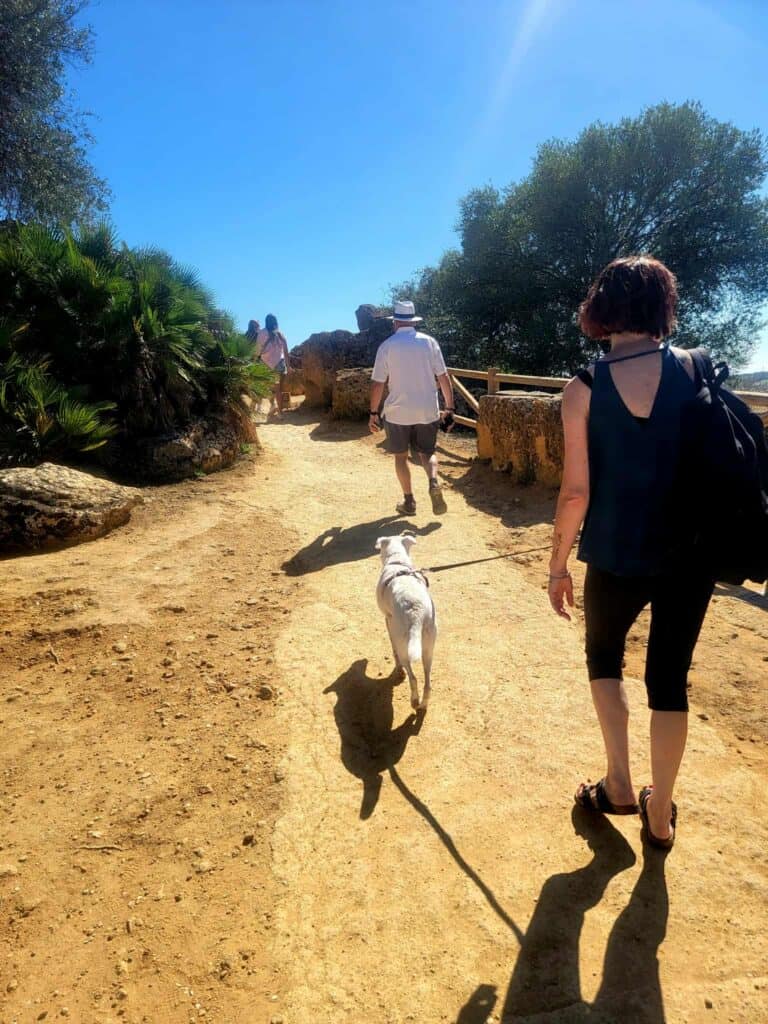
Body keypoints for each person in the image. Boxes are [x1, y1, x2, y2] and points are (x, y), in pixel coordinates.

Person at [548, 255, 714, 850]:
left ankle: (618, 784)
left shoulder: (582, 390)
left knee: (605, 659)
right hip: (691, 554)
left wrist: (557, 565)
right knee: (670, 680)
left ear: (602, 310)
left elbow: (574, 493)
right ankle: (661, 814)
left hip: (616, 550)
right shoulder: (696, 368)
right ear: (660, 307)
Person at [369, 300, 455, 516]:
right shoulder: (429, 343)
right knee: (428, 453)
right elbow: (443, 377)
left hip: (398, 412)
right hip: (427, 409)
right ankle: (433, 482)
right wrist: (449, 407)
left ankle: (409, 502)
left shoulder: (387, 346)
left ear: (395, 322)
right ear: (413, 321)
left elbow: (378, 383)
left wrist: (373, 413)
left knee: (400, 456)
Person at [255, 314, 291, 416]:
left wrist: (256, 359)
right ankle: (280, 413)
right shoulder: (280, 334)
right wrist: (288, 367)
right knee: (278, 389)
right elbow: (286, 352)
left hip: (266, 366)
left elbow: (257, 351)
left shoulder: (261, 333)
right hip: (279, 365)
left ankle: (272, 404)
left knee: (266, 387)